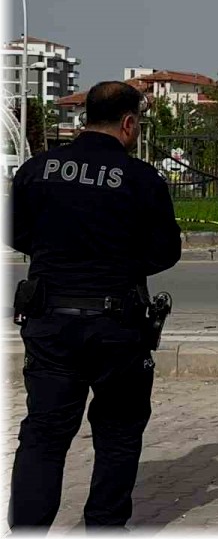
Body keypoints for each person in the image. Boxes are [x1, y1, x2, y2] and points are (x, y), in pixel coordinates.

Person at [6, 81, 182, 531]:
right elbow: (165, 251)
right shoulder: (141, 178)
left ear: (86, 117)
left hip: (50, 320)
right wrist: (119, 263)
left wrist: (57, 256)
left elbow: (15, 232)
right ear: (128, 123)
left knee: (44, 435)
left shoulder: (36, 170)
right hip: (117, 324)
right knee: (118, 433)